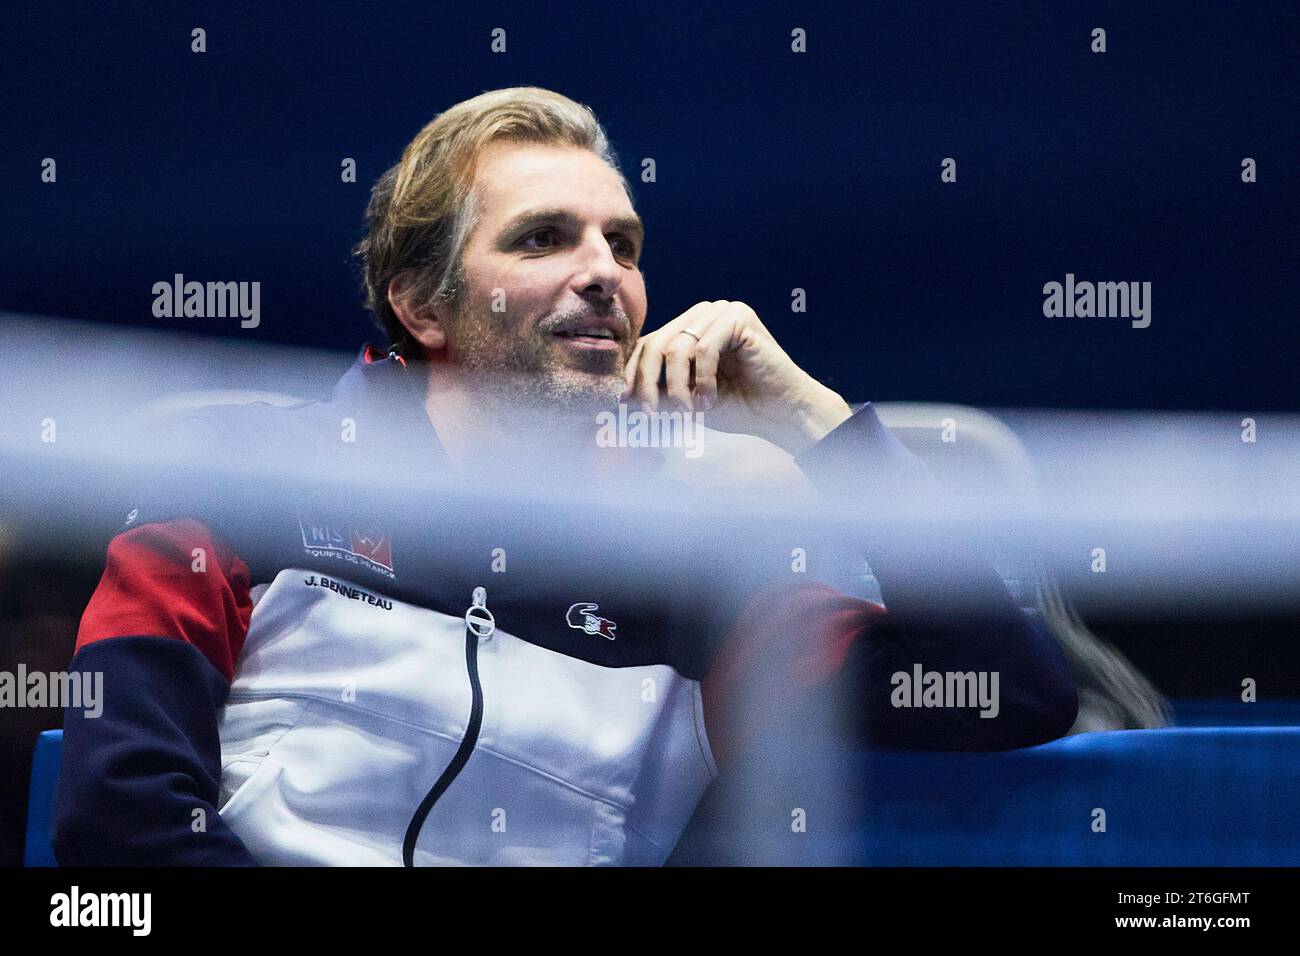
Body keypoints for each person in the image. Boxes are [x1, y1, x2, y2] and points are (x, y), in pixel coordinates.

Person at [52, 87, 1077, 866]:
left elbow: (1011, 690)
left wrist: (811, 422)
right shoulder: (234, 477)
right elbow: (121, 815)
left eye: (622, 244)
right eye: (544, 236)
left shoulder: (704, 563)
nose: (605, 272)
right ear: (423, 305)